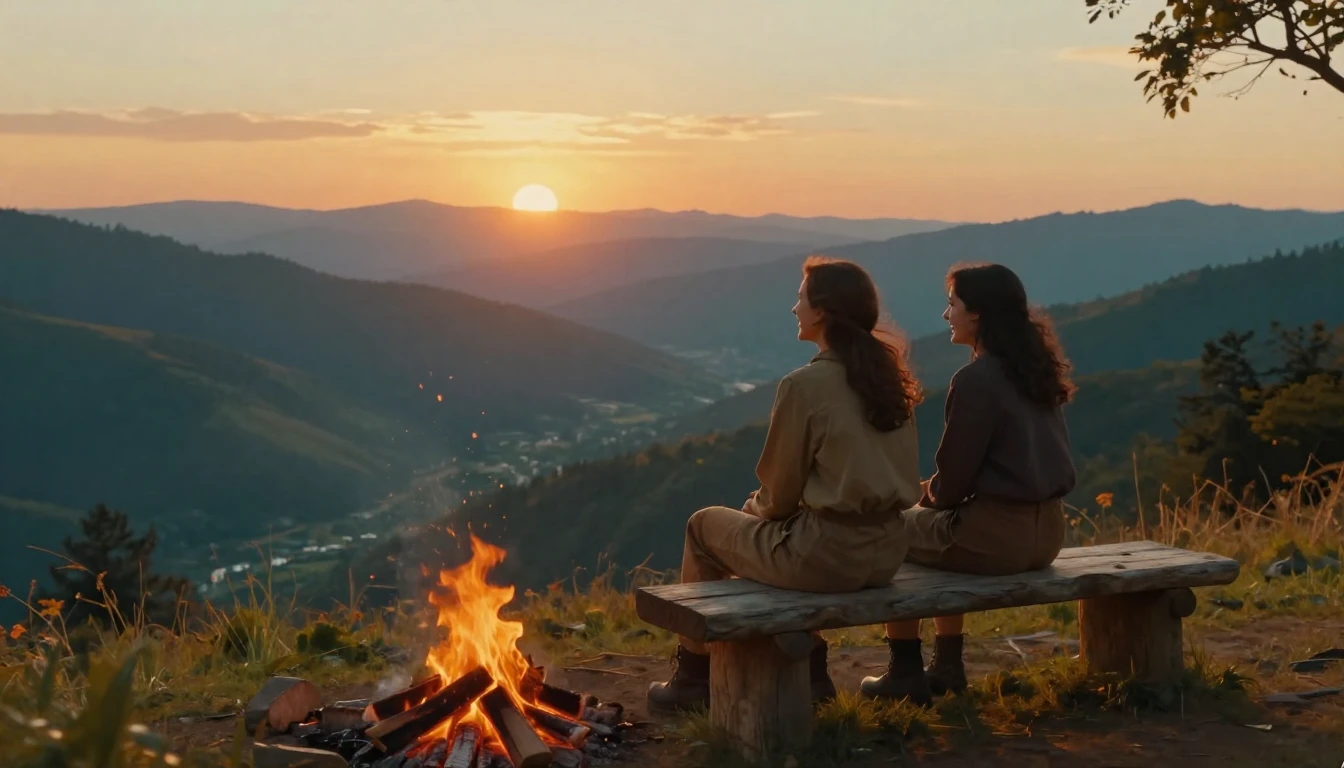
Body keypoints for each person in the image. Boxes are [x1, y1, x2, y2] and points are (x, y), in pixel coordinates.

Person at [647, 256, 924, 713]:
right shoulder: (891, 381)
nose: (794, 308)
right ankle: (811, 672)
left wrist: (750, 515)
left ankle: (693, 675)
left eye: (800, 299)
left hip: (826, 557)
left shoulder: (805, 385)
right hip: (886, 551)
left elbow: (777, 498)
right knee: (770, 533)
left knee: (705, 527)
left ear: (823, 311)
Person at [860, 263, 1077, 705]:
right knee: (932, 526)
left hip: (994, 540)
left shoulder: (976, 380)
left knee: (887, 529)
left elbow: (950, 488)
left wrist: (914, 497)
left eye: (952, 304)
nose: (946, 315)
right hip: (1047, 535)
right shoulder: (1034, 371)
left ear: (976, 315)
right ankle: (947, 664)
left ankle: (904, 668)